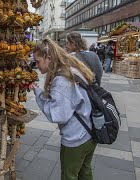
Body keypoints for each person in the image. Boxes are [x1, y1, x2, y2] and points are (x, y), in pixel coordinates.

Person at [30, 38, 97, 180]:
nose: (36, 65)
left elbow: (58, 115)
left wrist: (38, 95)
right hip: (90, 132)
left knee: (69, 175)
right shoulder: (70, 68)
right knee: (85, 172)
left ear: (48, 58)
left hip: (76, 138)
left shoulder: (61, 80)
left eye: (38, 61)